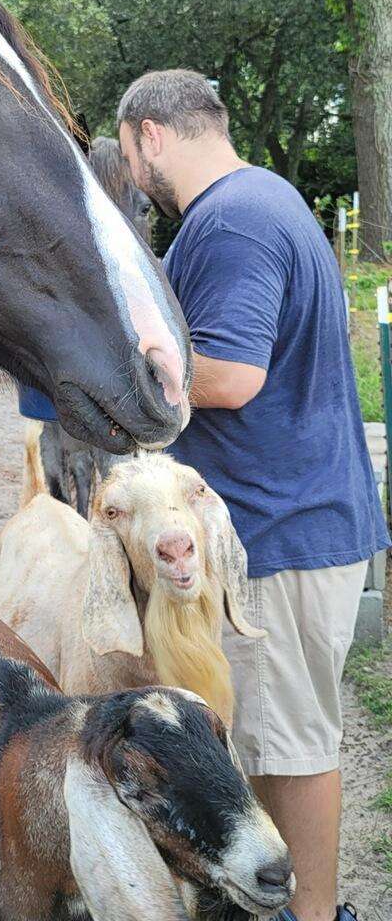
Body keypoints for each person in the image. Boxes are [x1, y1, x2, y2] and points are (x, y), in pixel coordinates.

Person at [113, 69, 389, 921]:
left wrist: (115, 369)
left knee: (290, 750)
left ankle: (312, 917)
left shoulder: (231, 221)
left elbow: (230, 374)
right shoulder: (260, 201)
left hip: (278, 535)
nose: (130, 175)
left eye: (127, 155)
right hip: (288, 523)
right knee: (275, 742)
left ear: (150, 136)